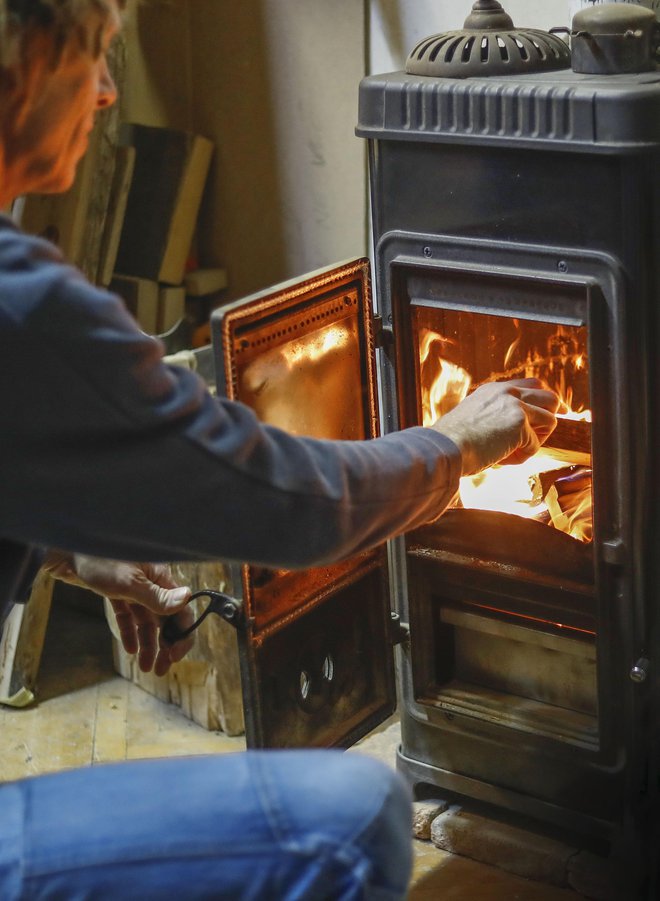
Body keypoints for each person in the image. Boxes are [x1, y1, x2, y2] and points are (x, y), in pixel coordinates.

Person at [0, 1, 560, 898]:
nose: (108, 93)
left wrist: (68, 550)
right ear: (24, 64)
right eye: (97, 56)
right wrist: (459, 441)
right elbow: (283, 499)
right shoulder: (21, 311)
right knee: (354, 816)